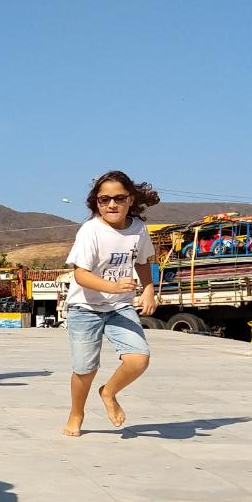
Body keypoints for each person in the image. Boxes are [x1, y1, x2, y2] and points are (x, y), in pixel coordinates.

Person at [62, 171, 159, 437]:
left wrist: (148, 289)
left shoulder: (138, 229)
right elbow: (80, 275)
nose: (112, 205)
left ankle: (108, 392)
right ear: (96, 202)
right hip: (84, 308)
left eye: (119, 198)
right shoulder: (91, 230)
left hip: (120, 307)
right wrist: (112, 287)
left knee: (138, 359)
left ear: (131, 199)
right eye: (104, 200)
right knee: (85, 370)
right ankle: (76, 413)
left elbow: (142, 261)